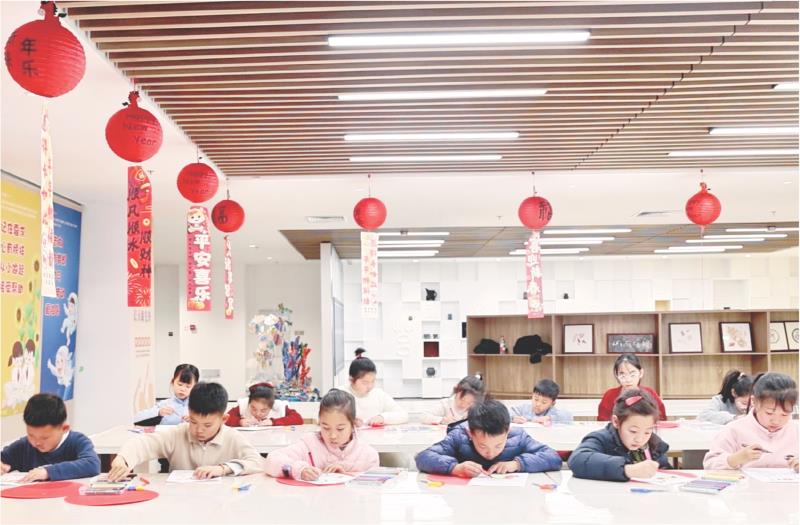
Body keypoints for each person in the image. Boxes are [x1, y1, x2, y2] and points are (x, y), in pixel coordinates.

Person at [107, 382, 263, 481]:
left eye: (207, 425)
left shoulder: (232, 437)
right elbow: (143, 443)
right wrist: (122, 460)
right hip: (179, 502)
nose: (199, 430)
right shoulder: (178, 434)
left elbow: (258, 462)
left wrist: (223, 469)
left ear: (223, 419)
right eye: (193, 422)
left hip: (221, 503)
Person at [415, 399, 562, 476]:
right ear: (470, 433)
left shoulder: (518, 436)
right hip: (467, 499)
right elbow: (423, 457)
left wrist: (516, 464)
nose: (491, 453)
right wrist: (454, 468)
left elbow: (553, 457)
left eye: (498, 445)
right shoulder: (458, 436)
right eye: (483, 446)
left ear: (507, 431)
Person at [265, 389, 379, 480]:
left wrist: (346, 471)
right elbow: (272, 460)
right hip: (314, 501)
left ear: (353, 424)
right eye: (326, 428)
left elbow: (371, 489)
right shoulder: (309, 444)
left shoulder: (367, 454)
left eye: (340, 429)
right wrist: (300, 470)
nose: (333, 435)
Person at [703, 372, 798, 471]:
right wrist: (735, 459)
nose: (776, 421)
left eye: (785, 414)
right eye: (769, 413)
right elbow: (709, 464)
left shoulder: (796, 431)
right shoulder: (734, 429)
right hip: (745, 481)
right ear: (754, 402)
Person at [569, 389, 670, 481]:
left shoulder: (654, 445)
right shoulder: (601, 439)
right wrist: (627, 470)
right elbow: (578, 460)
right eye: (633, 431)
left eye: (647, 432)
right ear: (616, 422)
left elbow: (665, 471)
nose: (639, 439)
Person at [0, 393, 100, 482]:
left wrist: (48, 472)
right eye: (31, 435)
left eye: (44, 438)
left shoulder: (77, 441)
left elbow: (92, 465)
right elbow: (3, 459)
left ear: (64, 428)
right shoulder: (23, 446)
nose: (36, 442)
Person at [346, 349, 408, 426]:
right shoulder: (341, 394)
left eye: (373, 381)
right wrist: (349, 421)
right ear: (351, 380)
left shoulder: (378, 394)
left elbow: (403, 415)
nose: (370, 386)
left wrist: (382, 417)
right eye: (365, 383)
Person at [597, 354, 666, 421]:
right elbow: (602, 421)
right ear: (616, 374)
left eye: (632, 374)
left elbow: (661, 418)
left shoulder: (650, 393)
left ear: (641, 373)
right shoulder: (609, 395)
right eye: (622, 374)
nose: (628, 379)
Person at [134, 363, 199, 425]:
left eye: (188, 386)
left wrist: (196, 420)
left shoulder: (199, 405)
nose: (183, 389)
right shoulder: (165, 404)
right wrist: (158, 412)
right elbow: (135, 418)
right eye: (180, 384)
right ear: (173, 382)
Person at [225, 382, 303, 427]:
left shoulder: (279, 407)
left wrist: (273, 422)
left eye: (263, 410)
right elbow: (226, 418)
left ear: (271, 406)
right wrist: (239, 421)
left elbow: (298, 419)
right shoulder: (244, 405)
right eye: (253, 408)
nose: (258, 414)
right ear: (249, 402)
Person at [421, 375, 485, 425]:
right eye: (462, 400)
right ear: (456, 391)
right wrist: (443, 420)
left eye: (469, 403)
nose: (464, 405)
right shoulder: (445, 404)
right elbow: (423, 416)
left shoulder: (475, 409)